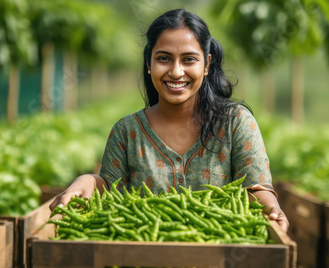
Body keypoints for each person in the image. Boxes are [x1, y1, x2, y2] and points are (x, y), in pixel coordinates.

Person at [50, 9, 289, 232]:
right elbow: (110, 191)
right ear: (148, 64)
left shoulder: (235, 123)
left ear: (206, 65)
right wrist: (87, 181)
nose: (176, 72)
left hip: (219, 257)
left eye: (189, 60)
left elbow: (255, 188)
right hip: (140, 258)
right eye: (164, 58)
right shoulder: (127, 132)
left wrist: (270, 208)